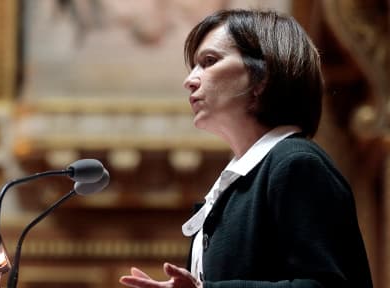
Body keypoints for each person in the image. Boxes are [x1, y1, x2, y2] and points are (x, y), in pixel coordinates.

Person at [119, 9, 373, 288]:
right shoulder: (236, 185)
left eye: (209, 61)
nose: (190, 79)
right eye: (194, 66)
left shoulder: (296, 164)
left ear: (261, 78)